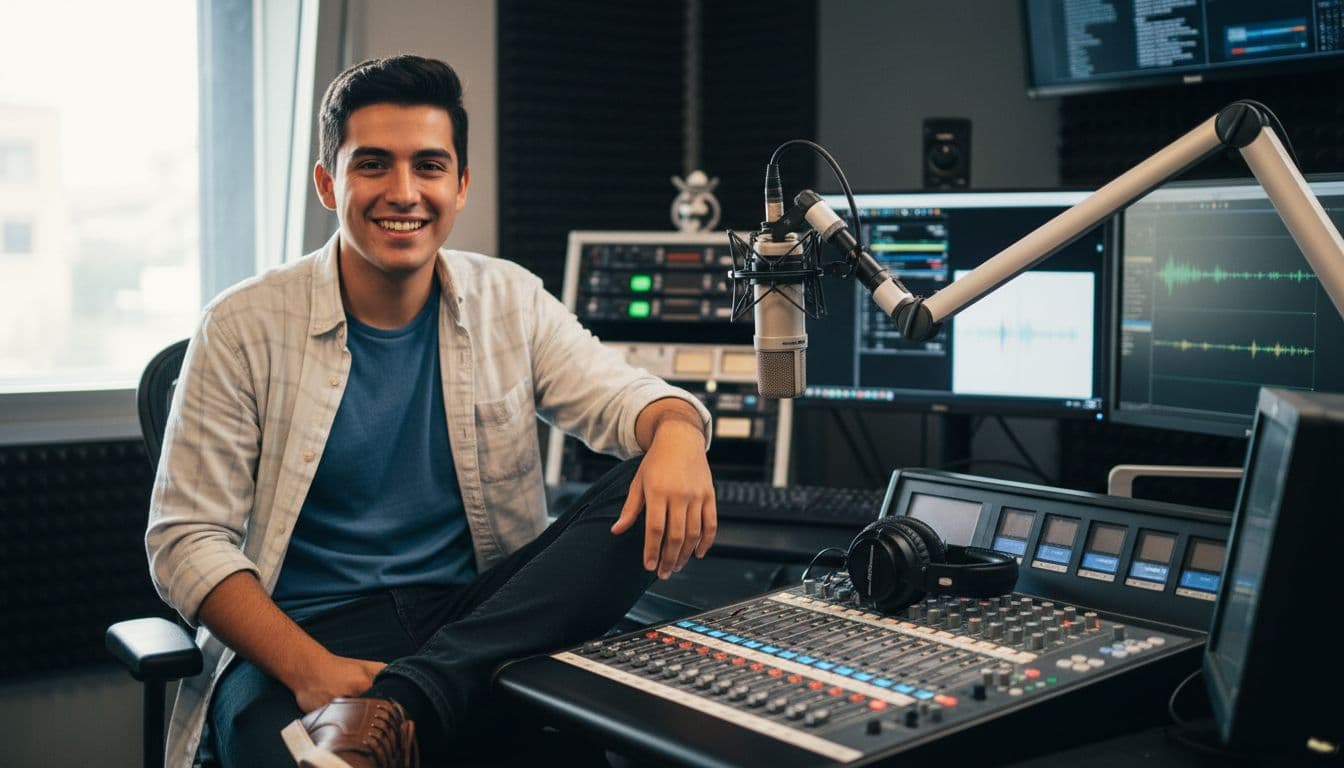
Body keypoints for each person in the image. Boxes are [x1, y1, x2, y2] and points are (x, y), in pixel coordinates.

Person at [146, 54, 716, 768]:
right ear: (329, 183)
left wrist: (677, 431)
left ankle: (408, 699)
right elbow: (184, 540)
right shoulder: (240, 325)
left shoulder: (509, 297)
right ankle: (414, 697)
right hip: (298, 637)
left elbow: (626, 397)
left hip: (474, 623)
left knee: (639, 488)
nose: (404, 192)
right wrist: (311, 669)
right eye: (374, 165)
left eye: (430, 166)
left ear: (461, 183)